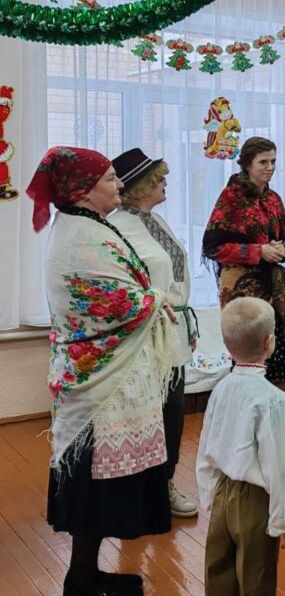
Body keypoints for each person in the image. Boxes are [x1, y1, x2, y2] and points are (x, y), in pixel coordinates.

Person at [28, 147, 178, 596]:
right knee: (93, 488)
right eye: (110, 178)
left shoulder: (84, 226)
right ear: (83, 190)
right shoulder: (80, 236)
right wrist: (156, 300)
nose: (119, 185)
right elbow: (109, 300)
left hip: (98, 375)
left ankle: (85, 575)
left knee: (94, 488)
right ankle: (80, 580)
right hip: (99, 383)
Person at [109, 148, 198, 519]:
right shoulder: (117, 227)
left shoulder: (156, 220)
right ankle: (135, 491)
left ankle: (164, 484)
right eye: (158, 179)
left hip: (172, 330)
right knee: (143, 412)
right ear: (139, 186)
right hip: (143, 333)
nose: (165, 184)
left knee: (173, 411)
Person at [196, 297, 285, 596]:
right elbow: (278, 465)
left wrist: (208, 495)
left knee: (218, 573)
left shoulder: (220, 389)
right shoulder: (272, 399)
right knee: (257, 577)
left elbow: (206, 445)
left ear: (227, 345)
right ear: (269, 343)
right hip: (255, 501)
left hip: (222, 494)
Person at [203, 137, 285, 385]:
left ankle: (272, 402)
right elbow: (213, 247)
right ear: (247, 164)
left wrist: (278, 248)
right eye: (263, 162)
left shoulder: (273, 198)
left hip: (272, 285)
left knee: (274, 349)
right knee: (248, 351)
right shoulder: (231, 197)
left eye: (273, 161)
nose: (270, 167)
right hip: (240, 286)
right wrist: (257, 251)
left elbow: (280, 235)